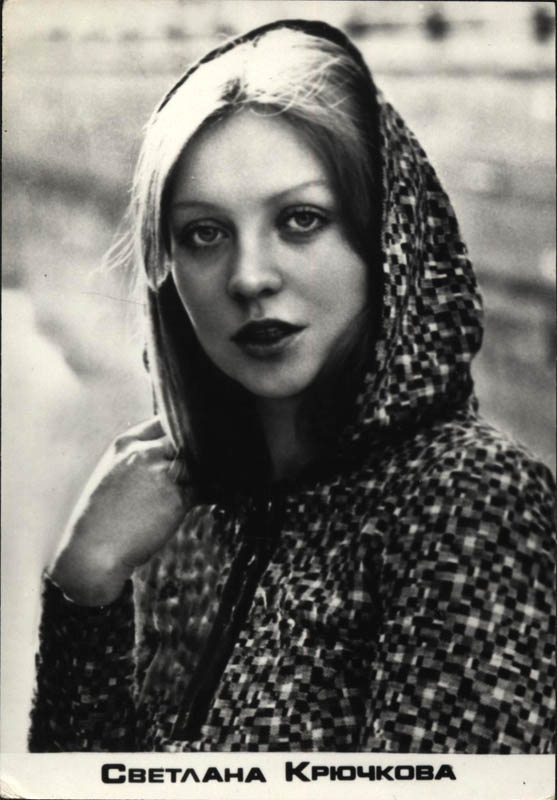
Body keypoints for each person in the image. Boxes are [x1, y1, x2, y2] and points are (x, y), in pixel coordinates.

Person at [28, 18, 555, 753]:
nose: (248, 277)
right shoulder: (182, 520)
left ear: (386, 240)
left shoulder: (471, 501)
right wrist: (85, 588)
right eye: (204, 232)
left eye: (301, 220)